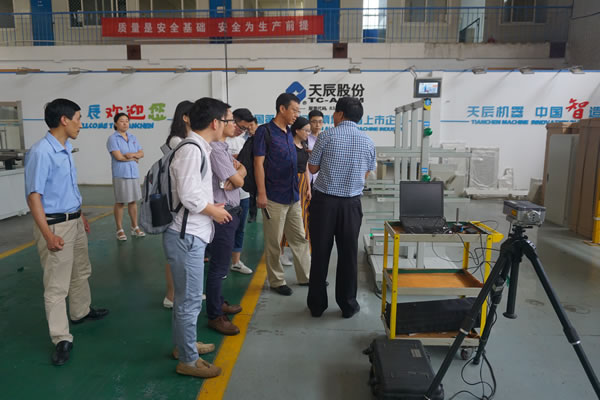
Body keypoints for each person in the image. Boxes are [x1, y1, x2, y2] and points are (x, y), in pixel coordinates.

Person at [24, 98, 109, 366]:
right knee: (57, 285)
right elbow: (34, 197)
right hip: (55, 225)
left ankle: (80, 311)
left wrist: (80, 215)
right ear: (64, 120)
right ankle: (61, 337)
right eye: (78, 118)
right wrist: (48, 235)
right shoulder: (41, 152)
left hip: (74, 220)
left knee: (80, 271)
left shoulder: (66, 147)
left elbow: (66, 188)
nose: (80, 124)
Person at [163, 97, 232, 378]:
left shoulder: (197, 147)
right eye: (226, 120)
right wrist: (214, 211)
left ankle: (184, 346)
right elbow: (190, 196)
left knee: (185, 299)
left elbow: (193, 192)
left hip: (191, 234)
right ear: (215, 123)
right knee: (190, 300)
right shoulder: (192, 150)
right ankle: (188, 361)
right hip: (186, 236)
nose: (227, 124)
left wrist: (212, 206)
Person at [306, 97, 376, 318]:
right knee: (348, 255)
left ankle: (317, 306)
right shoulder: (368, 141)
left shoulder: (326, 136)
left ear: (340, 114)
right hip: (351, 205)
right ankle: (348, 305)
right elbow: (367, 172)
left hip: (324, 204)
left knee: (320, 253)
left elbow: (312, 168)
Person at [254, 93, 310, 296]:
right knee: (274, 242)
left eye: (298, 111)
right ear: (282, 109)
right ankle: (277, 281)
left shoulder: (288, 132)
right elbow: (258, 163)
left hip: (292, 196)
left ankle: (306, 276)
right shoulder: (265, 132)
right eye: (294, 110)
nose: (297, 114)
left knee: (300, 238)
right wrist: (261, 193)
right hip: (273, 197)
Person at [206, 107, 247, 335]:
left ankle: (218, 301)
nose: (235, 125)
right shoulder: (215, 150)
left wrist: (238, 173)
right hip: (222, 213)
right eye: (231, 120)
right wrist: (238, 176)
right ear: (218, 123)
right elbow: (239, 181)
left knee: (221, 265)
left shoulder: (222, 148)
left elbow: (243, 170)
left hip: (230, 210)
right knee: (219, 267)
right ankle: (214, 315)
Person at [162, 100, 194, 309]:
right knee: (174, 255)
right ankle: (171, 295)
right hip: (175, 204)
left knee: (186, 255)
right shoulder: (177, 141)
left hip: (184, 204)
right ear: (185, 117)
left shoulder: (187, 140)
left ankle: (186, 292)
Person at [106, 113, 145, 241]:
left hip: (133, 173)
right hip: (121, 174)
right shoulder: (113, 139)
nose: (125, 123)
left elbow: (141, 153)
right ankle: (119, 229)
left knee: (133, 201)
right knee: (120, 202)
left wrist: (131, 155)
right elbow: (118, 157)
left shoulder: (133, 137)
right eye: (122, 121)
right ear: (115, 123)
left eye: (127, 121)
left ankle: (134, 227)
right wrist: (134, 157)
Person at [226, 108, 255, 275]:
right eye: (241, 127)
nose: (241, 131)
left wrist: (239, 164)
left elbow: (246, 165)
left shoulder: (244, 141)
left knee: (240, 228)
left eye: (245, 129)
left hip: (243, 193)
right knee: (223, 231)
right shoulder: (220, 141)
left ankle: (236, 261)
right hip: (224, 194)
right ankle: (221, 263)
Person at [280, 116, 312, 253]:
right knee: (286, 216)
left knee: (302, 215)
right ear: (297, 130)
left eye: (309, 131)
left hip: (303, 183)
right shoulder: (288, 146)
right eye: (306, 130)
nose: (308, 134)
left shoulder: (304, 146)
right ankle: (282, 248)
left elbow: (305, 168)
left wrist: (308, 188)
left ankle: (298, 248)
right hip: (290, 182)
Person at [246, 116, 259, 223]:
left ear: (256, 125)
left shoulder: (261, 138)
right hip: (248, 170)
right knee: (251, 194)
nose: (249, 127)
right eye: (248, 125)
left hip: (259, 169)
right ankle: (252, 215)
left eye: (252, 125)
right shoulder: (244, 138)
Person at [307, 110, 324, 186]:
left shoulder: (325, 138)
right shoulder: (305, 138)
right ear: (309, 122)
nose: (317, 125)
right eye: (314, 122)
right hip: (308, 176)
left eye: (320, 122)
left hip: (321, 178)